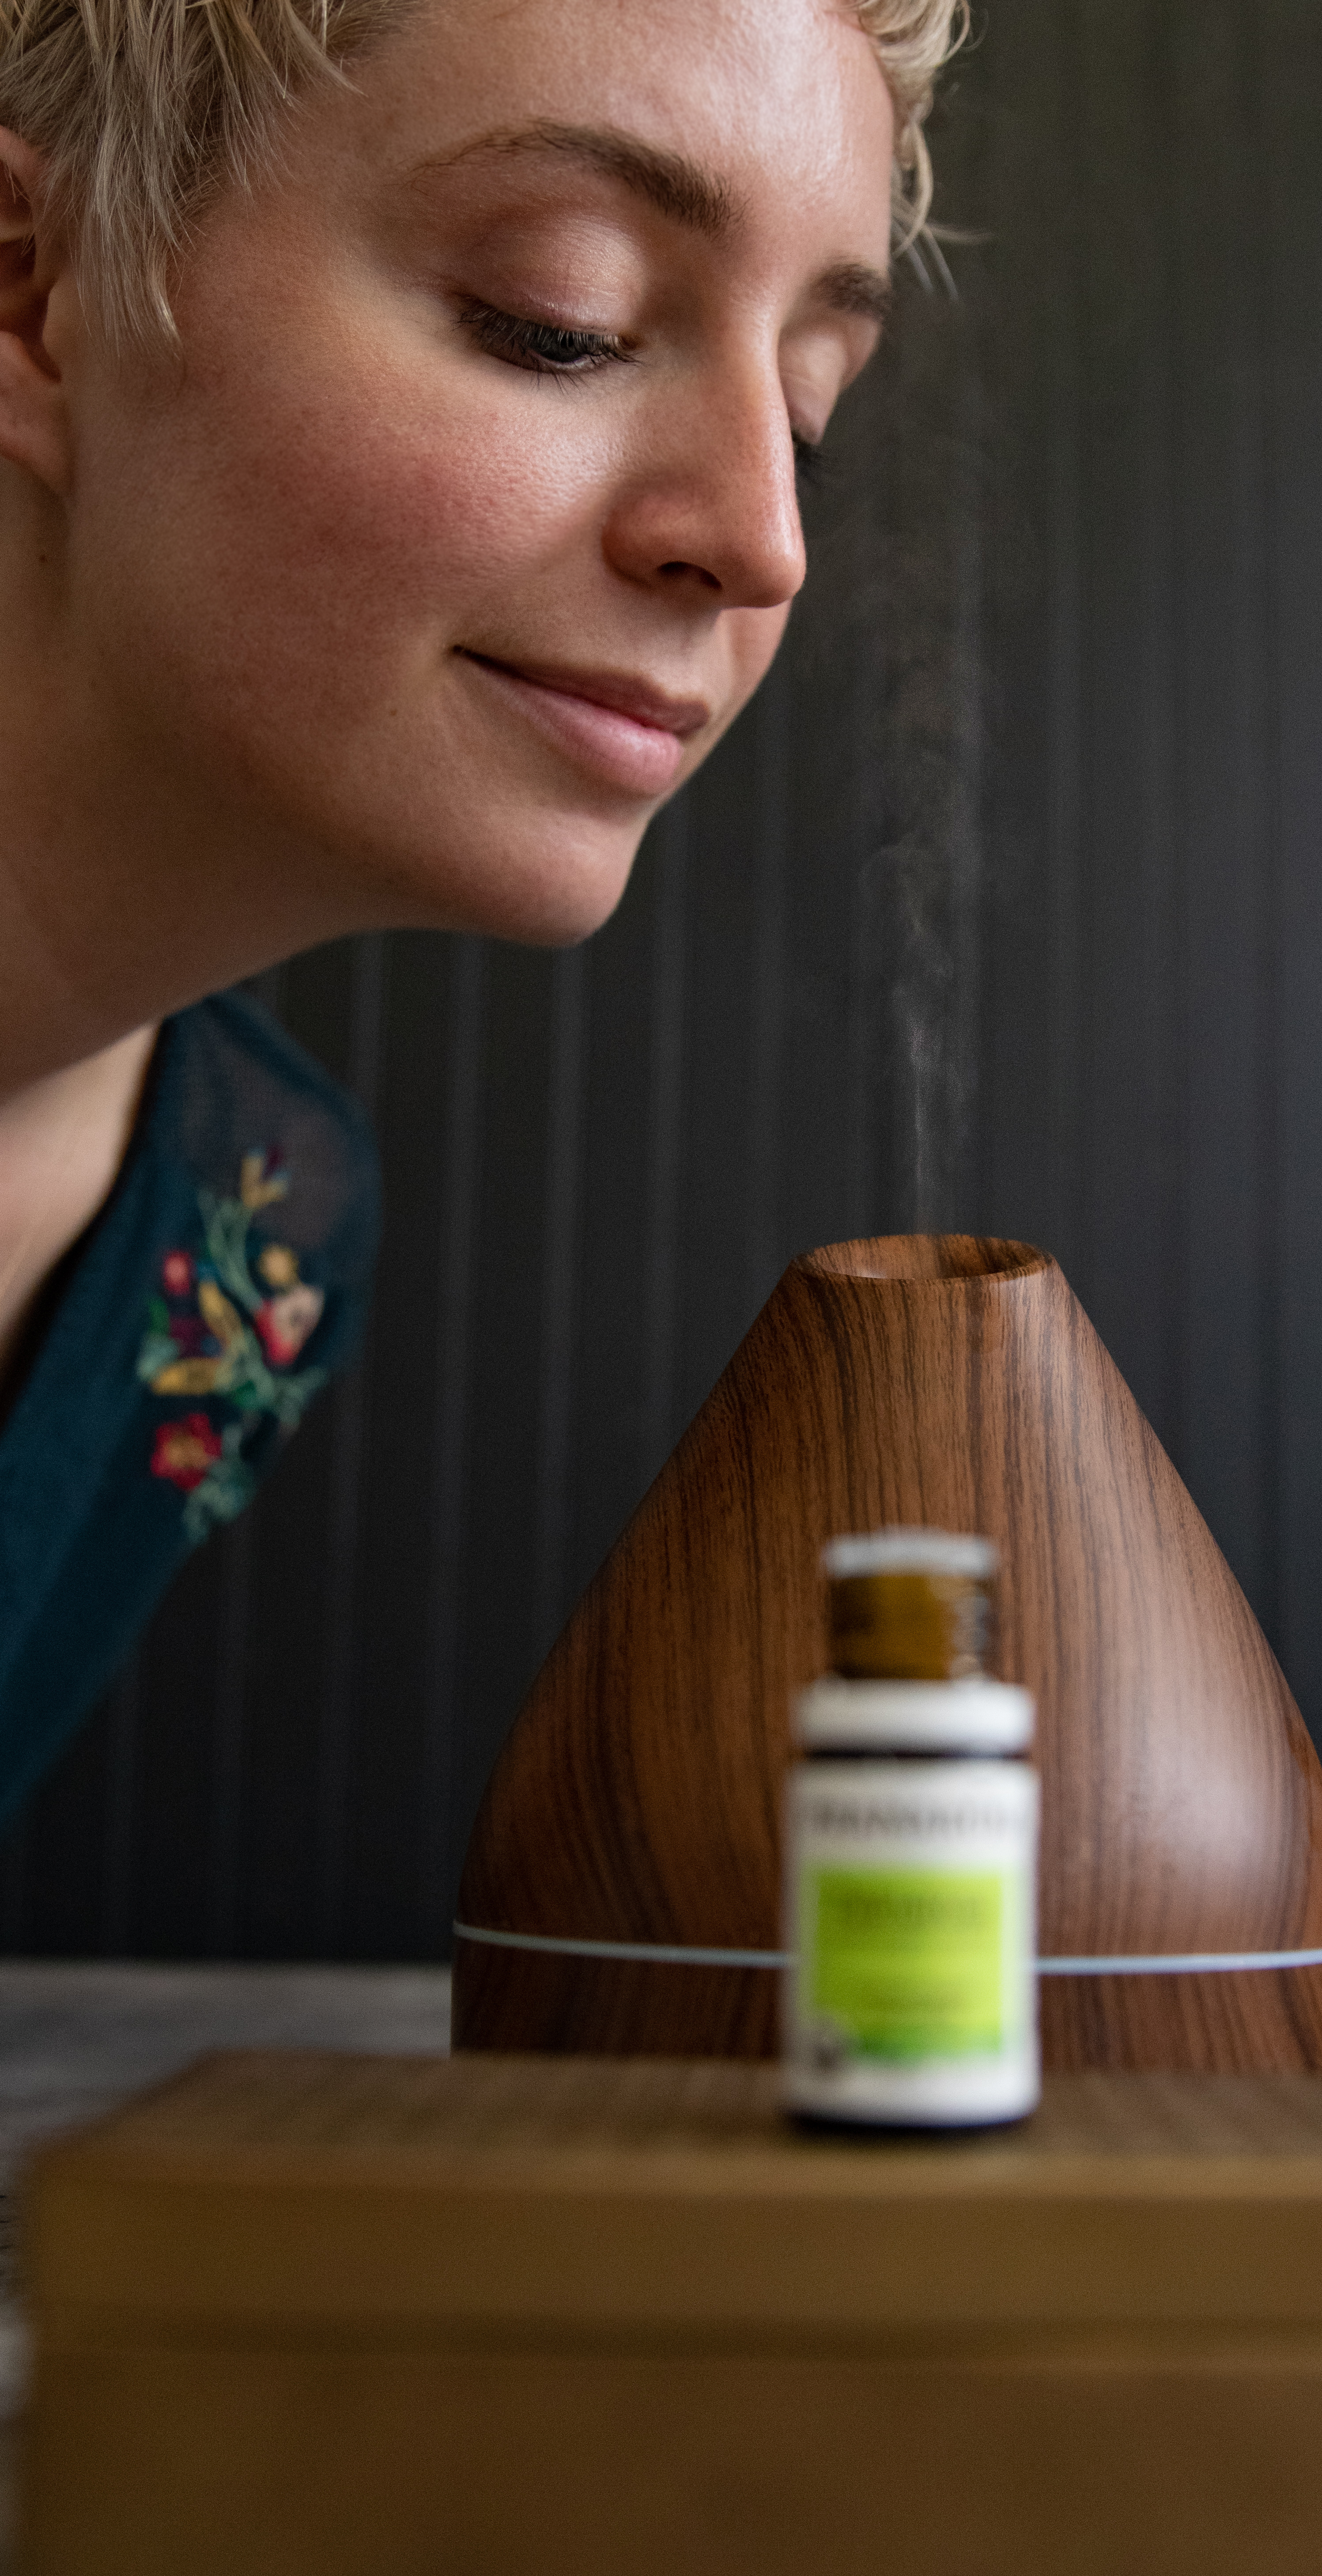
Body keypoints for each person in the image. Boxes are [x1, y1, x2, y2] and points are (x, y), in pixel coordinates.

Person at [0, 0, 965, 1818]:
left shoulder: (249, 1238)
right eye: (561, 319)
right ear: (28, 288)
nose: (764, 540)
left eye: (811, 412)